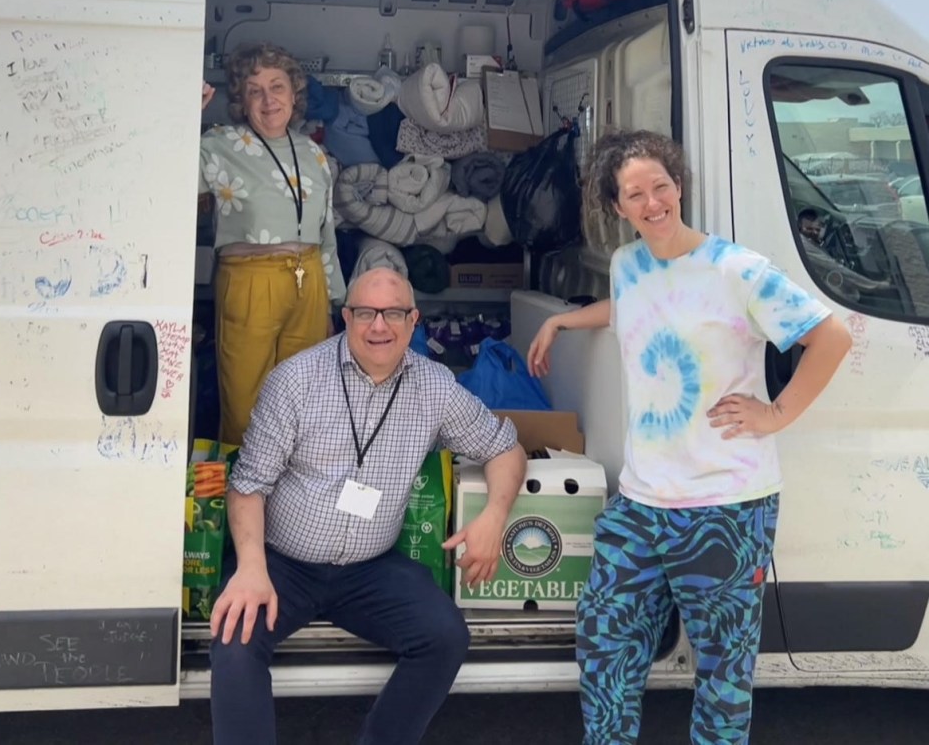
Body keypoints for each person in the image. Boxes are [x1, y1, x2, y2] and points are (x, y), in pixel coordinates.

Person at [527, 130, 852, 744]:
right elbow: (630, 307)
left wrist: (775, 414)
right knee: (604, 644)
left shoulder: (737, 270)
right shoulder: (627, 264)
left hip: (725, 507)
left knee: (723, 676)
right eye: (635, 194)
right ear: (617, 206)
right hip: (642, 502)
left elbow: (830, 338)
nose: (652, 203)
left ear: (679, 187)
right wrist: (565, 319)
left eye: (661, 186)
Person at [209, 267, 528, 745]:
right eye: (366, 313)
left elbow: (505, 449)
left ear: (414, 320)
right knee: (234, 640)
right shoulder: (296, 380)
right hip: (282, 564)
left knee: (445, 636)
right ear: (346, 317)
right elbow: (248, 484)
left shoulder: (435, 386)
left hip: (368, 569)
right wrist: (251, 567)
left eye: (393, 313)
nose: (379, 326)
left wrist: (494, 517)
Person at [200, 43, 347, 446]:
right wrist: (183, 117)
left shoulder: (313, 153)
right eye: (255, 90)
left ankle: (296, 488)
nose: (268, 100)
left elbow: (327, 234)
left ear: (294, 93)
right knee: (245, 404)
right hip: (250, 281)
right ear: (241, 100)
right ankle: (244, 485)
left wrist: (333, 303)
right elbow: (167, 178)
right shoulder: (219, 145)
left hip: (309, 280)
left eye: (277, 86)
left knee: (307, 403)